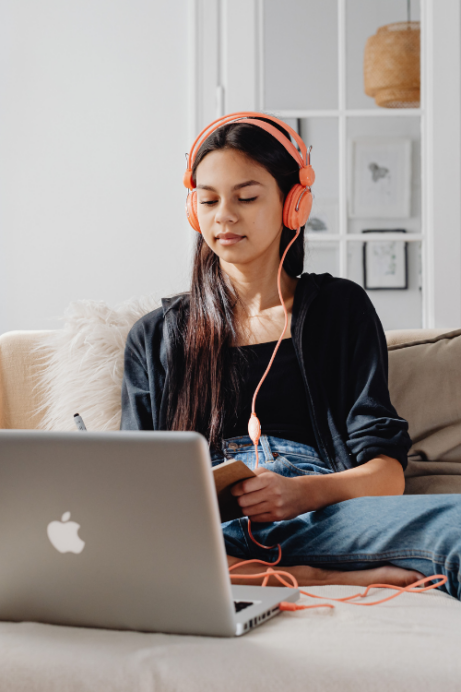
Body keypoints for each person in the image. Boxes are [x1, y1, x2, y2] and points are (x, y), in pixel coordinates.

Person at [121, 113, 461, 599]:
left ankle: (281, 570)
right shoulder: (155, 337)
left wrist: (300, 492)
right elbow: (136, 494)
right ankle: (311, 578)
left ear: (293, 205)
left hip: (325, 516)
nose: (224, 216)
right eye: (209, 199)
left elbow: (386, 474)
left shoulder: (339, 310)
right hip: (206, 534)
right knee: (127, 541)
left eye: (247, 197)